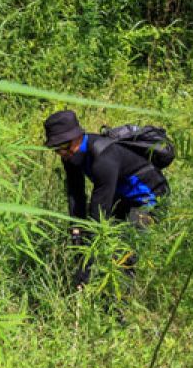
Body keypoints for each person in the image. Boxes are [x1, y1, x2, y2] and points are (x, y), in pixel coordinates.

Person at [43, 109, 170, 288]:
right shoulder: (71, 155)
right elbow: (75, 194)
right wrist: (76, 229)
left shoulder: (103, 158)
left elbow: (98, 213)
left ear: (77, 137)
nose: (61, 153)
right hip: (122, 196)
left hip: (149, 197)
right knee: (102, 238)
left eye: (63, 147)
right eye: (56, 149)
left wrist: (84, 267)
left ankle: (121, 306)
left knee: (124, 249)